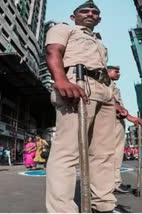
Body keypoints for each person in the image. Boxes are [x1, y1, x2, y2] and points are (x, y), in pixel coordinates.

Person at [44, 1, 122, 212]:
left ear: (99, 19)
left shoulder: (99, 42)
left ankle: (103, 204)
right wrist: (60, 80)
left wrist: (115, 102)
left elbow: (103, 71)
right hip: (77, 83)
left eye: (95, 12)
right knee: (67, 151)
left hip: (104, 90)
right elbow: (53, 51)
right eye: (84, 11)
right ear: (73, 16)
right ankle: (62, 210)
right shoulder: (63, 28)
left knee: (103, 152)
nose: (90, 14)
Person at [107, 65, 142, 194]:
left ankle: (113, 183)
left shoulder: (112, 85)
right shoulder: (104, 83)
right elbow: (112, 102)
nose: (119, 74)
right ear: (107, 71)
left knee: (115, 155)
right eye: (116, 71)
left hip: (116, 121)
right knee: (113, 155)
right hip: (111, 121)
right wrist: (129, 117)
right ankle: (113, 184)